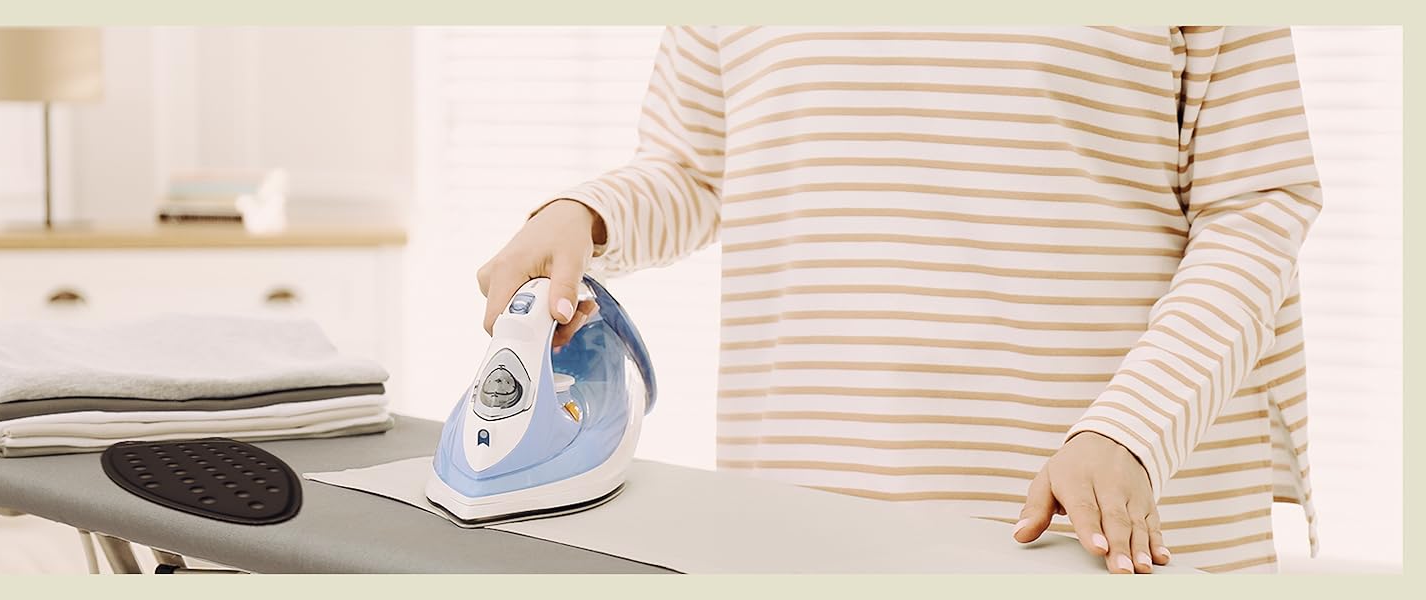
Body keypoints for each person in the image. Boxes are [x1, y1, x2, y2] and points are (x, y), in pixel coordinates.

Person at [477, 26, 1320, 574]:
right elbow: (694, 168)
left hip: (1105, 523)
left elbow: (1256, 208)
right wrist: (586, 216)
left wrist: (1134, 426)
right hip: (809, 525)